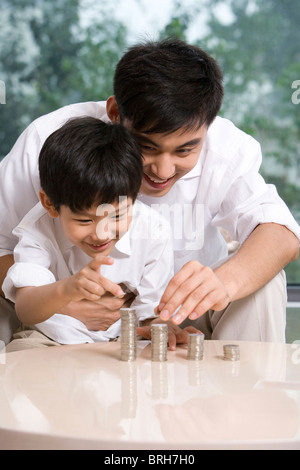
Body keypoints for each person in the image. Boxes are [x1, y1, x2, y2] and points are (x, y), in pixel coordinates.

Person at [0, 38, 299, 345]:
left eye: (184, 150)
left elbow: (282, 233)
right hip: (57, 316)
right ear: (115, 112)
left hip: (179, 312)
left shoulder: (225, 148)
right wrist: (61, 301)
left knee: (263, 280)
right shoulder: (50, 144)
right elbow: (3, 247)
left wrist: (223, 283)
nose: (163, 171)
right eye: (147, 147)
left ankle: (246, 389)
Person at [2, 117, 190, 351]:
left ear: (134, 198)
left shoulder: (154, 230)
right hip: (50, 335)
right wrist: (66, 289)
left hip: (127, 338)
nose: (102, 234)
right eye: (85, 220)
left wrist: (164, 326)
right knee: (19, 358)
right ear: (49, 204)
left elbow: (151, 312)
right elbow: (25, 309)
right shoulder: (37, 229)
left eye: (118, 216)